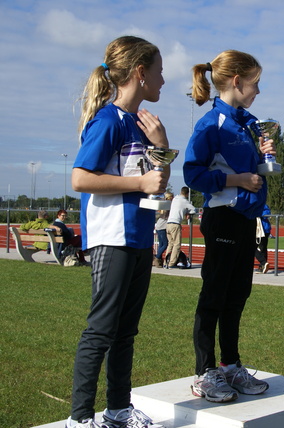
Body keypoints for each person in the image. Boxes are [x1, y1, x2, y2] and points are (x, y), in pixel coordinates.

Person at [67, 36, 169, 428]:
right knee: (101, 330)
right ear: (140, 74)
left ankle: (118, 411)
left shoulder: (141, 124)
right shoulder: (108, 120)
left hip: (140, 237)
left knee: (126, 332)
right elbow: (80, 178)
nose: (163, 80)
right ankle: (79, 420)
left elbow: (155, 184)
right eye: (159, 72)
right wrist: (139, 186)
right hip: (113, 238)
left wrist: (160, 145)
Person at [183, 50, 274, 404]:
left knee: (238, 295)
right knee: (214, 295)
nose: (259, 92)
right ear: (237, 81)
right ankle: (205, 372)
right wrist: (237, 178)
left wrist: (264, 157)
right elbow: (193, 174)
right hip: (222, 217)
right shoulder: (211, 124)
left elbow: (254, 177)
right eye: (256, 83)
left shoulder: (245, 123)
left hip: (245, 219)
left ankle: (231, 364)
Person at [166, 187, 196, 268]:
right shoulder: (185, 201)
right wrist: (188, 213)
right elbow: (194, 209)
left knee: (170, 244)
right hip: (175, 224)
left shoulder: (175, 198)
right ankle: (171, 263)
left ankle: (166, 262)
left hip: (168, 223)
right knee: (177, 245)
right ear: (187, 194)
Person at [153, 192, 173, 268]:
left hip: (159, 224)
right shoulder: (169, 204)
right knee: (165, 244)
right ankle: (157, 257)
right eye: (172, 197)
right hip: (162, 225)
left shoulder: (164, 203)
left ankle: (159, 260)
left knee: (161, 243)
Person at [255, 204, 272, 273]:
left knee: (262, 247)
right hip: (258, 229)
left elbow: (267, 213)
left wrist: (257, 213)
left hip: (263, 229)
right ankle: (263, 265)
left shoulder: (263, 205)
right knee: (262, 248)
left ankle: (263, 263)